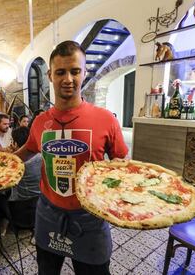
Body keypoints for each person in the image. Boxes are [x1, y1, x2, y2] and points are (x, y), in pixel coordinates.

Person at [15, 41, 128, 275]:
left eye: (75, 71)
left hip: (91, 218)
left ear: (84, 73)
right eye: (60, 72)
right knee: (46, 272)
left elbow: (121, 162)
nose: (68, 79)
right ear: (50, 76)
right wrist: (0, 165)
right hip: (48, 214)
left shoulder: (106, 119)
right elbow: (27, 150)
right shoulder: (39, 122)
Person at [9, 127, 41, 201]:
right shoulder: (41, 154)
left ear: (15, 143)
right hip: (42, 197)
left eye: (11, 140)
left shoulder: (16, 163)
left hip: (24, 200)